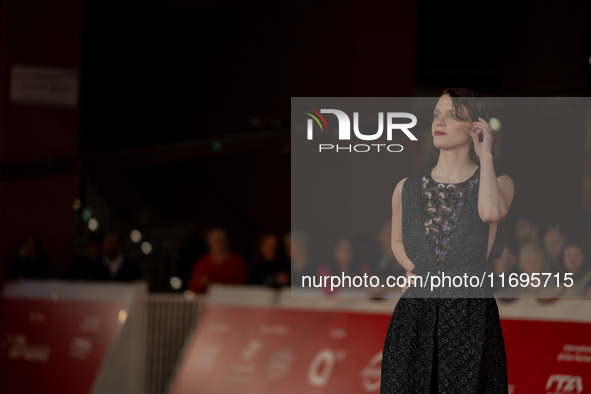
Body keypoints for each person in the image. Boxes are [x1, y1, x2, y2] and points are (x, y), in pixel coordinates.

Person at [380, 88, 515, 393]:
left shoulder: (498, 183)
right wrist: (416, 269)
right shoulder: (406, 188)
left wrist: (486, 156)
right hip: (415, 317)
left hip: (469, 315)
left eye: (453, 115)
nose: (439, 122)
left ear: (475, 127)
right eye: (436, 114)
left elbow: (491, 212)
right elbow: (397, 241)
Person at [187, 228, 248, 293]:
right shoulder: (202, 263)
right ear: (209, 242)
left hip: (232, 299)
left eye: (221, 240)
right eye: (215, 240)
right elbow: (193, 288)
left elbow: (243, 285)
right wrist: (201, 282)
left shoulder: (237, 261)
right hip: (208, 300)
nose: (218, 243)